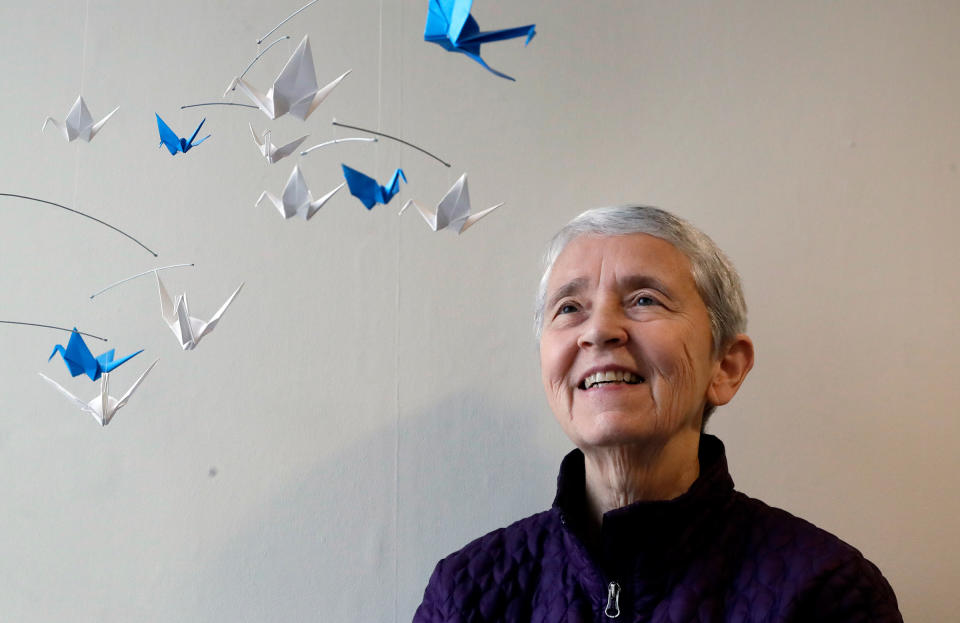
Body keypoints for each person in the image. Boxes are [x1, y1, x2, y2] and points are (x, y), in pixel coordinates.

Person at [413, 205, 902, 622]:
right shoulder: (466, 592)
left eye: (645, 300)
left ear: (725, 367)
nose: (599, 331)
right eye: (569, 308)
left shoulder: (826, 592)